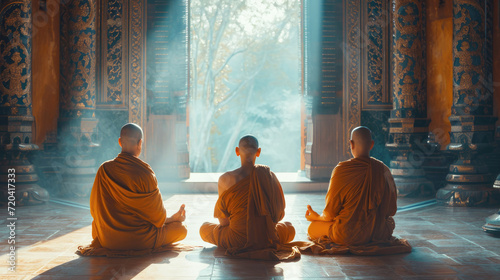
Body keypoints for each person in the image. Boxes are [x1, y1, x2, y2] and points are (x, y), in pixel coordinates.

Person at [78, 123, 187, 256]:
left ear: (119, 141)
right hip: (141, 240)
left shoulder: (104, 170)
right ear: (140, 143)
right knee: (181, 229)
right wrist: (173, 219)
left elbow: (94, 210)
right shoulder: (146, 173)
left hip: (109, 241)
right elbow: (158, 219)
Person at [305, 126, 411, 255]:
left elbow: (330, 214)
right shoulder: (383, 170)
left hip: (347, 234)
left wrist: (317, 217)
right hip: (378, 233)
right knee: (390, 222)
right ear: (371, 145)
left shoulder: (341, 170)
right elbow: (391, 210)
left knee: (312, 228)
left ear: (351, 144)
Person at [199, 135, 300, 260]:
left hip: (236, 240)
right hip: (266, 238)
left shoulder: (225, 179)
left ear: (237, 151)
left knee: (204, 228)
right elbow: (277, 216)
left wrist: (243, 227)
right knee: (289, 228)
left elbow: (224, 222)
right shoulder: (268, 176)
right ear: (258, 152)